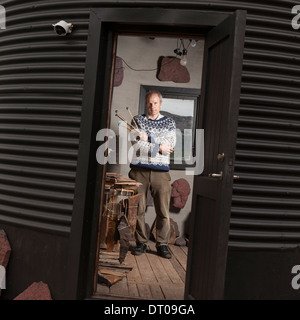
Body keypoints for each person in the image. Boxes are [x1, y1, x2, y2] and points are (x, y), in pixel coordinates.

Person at [128, 90, 176, 259]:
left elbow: (169, 147)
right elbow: (137, 145)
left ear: (160, 104)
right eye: (149, 103)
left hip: (161, 173)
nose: (152, 106)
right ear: (145, 103)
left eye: (155, 103)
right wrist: (158, 146)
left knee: (163, 210)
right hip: (139, 171)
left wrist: (147, 138)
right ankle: (141, 242)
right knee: (138, 209)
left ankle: (162, 244)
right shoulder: (137, 120)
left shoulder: (169, 122)